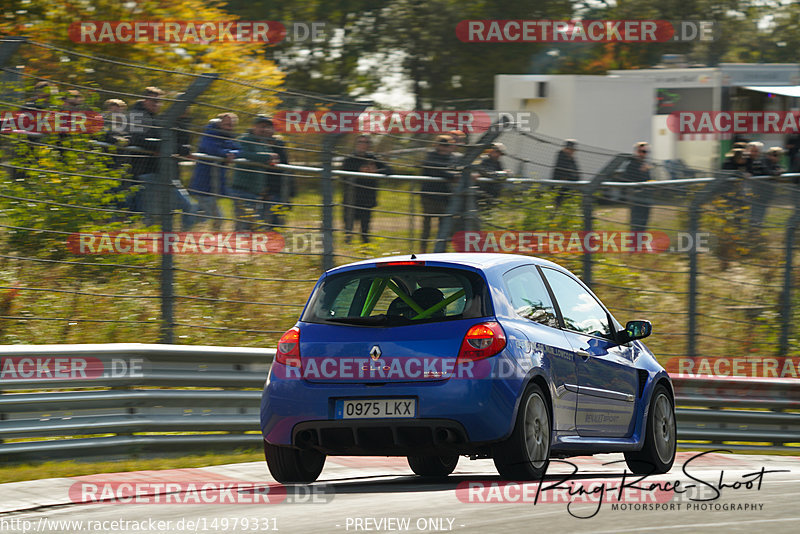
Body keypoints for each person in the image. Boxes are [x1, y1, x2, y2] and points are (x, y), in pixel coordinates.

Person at [189, 113, 239, 230]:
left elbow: (239, 149)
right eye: (227, 124)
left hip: (215, 184)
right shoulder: (209, 133)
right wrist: (226, 153)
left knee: (199, 216)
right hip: (204, 184)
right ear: (219, 122)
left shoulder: (228, 136)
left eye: (232, 125)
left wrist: (232, 154)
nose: (229, 128)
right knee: (218, 218)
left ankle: (191, 235)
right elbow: (211, 148)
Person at [230, 116, 279, 231]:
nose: (264, 129)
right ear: (254, 126)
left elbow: (271, 156)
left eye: (267, 127)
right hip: (243, 189)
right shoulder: (245, 139)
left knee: (253, 226)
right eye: (262, 126)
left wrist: (271, 157)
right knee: (243, 225)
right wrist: (267, 157)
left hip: (256, 191)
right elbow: (243, 154)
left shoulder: (262, 142)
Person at [340, 134, 391, 243]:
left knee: (365, 229)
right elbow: (343, 174)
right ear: (356, 144)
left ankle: (365, 247)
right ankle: (347, 245)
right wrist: (359, 171)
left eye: (366, 142)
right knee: (348, 228)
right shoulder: (350, 159)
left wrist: (376, 172)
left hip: (367, 199)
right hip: (352, 198)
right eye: (361, 142)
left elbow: (389, 170)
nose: (363, 145)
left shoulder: (373, 158)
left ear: (369, 145)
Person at [419, 135, 458, 252]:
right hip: (429, 196)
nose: (444, 148)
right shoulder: (431, 156)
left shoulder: (453, 158)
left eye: (447, 145)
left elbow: (456, 169)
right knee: (427, 226)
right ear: (437, 145)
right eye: (442, 145)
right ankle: (423, 251)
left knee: (444, 226)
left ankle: (441, 251)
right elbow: (436, 169)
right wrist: (453, 175)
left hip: (445, 197)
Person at [622, 141, 652, 233]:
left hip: (646, 197)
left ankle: (640, 240)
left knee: (644, 221)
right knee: (636, 221)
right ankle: (634, 242)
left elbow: (648, 180)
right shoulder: (631, 165)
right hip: (636, 198)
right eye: (641, 151)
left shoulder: (645, 165)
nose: (643, 154)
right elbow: (628, 179)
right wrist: (642, 172)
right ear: (636, 152)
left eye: (645, 152)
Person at [475, 141, 507, 208]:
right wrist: (499, 174)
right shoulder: (483, 160)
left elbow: (502, 173)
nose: (498, 155)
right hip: (481, 191)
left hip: (493, 192)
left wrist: (504, 173)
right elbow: (485, 172)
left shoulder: (497, 163)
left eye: (500, 153)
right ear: (490, 151)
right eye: (497, 152)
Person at [551, 139, 580, 206]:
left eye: (573, 150)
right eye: (570, 149)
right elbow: (564, 171)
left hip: (568, 187)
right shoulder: (561, 156)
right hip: (560, 187)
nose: (572, 151)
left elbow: (577, 172)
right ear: (566, 148)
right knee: (558, 205)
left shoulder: (571, 158)